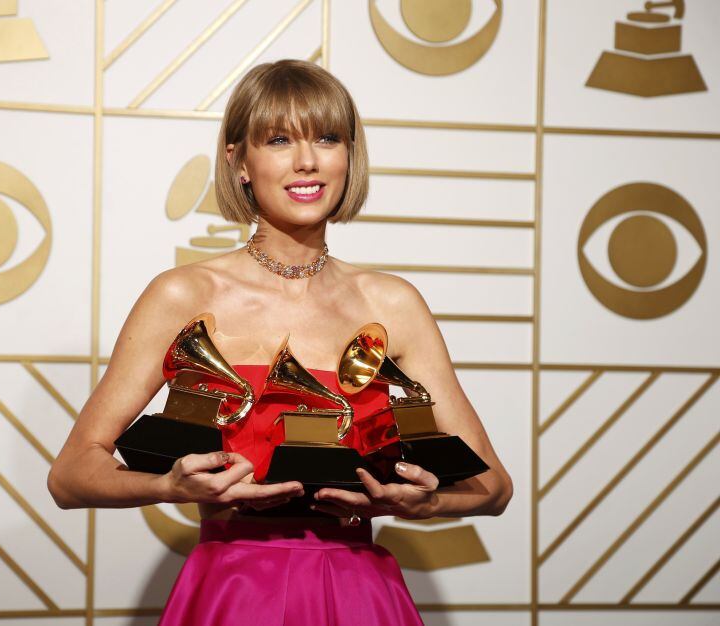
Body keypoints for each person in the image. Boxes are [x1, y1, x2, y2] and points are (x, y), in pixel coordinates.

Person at [48, 59, 513, 626]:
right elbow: (70, 475)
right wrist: (169, 485)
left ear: (350, 156)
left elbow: (494, 487)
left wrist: (425, 502)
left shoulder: (394, 304)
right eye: (278, 140)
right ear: (239, 162)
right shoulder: (183, 294)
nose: (307, 161)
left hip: (360, 594)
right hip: (233, 593)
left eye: (327, 138)